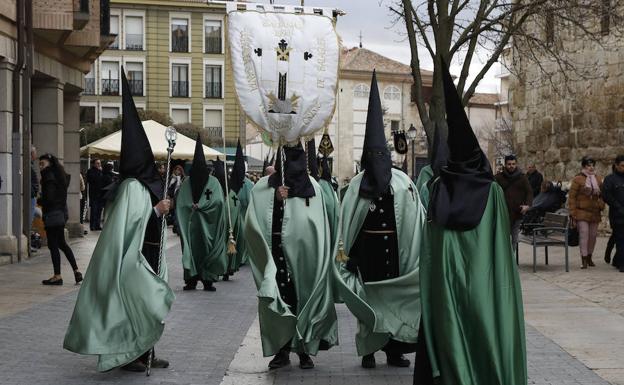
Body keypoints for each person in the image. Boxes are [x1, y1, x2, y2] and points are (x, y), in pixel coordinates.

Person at [414, 62, 526, 385]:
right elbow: (500, 251)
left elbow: (430, 245)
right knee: (483, 338)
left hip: (443, 288)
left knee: (448, 339)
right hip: (481, 288)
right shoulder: (490, 192)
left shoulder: (437, 189)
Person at [64, 68, 174, 373]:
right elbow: (131, 227)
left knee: (146, 303)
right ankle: (130, 355)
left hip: (148, 253)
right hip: (131, 259)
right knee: (130, 303)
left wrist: (161, 211)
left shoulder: (144, 185)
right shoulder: (131, 189)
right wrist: (158, 210)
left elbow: (150, 222)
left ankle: (148, 351)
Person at [333, 72, 424, 369]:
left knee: (395, 302)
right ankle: (369, 349)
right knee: (370, 303)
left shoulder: (402, 183)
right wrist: (351, 257)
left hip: (396, 254)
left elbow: (414, 219)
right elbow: (349, 224)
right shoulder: (357, 186)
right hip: (368, 257)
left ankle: (394, 350)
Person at [244, 142, 338, 370]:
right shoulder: (264, 188)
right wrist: (275, 200)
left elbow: (321, 225)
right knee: (280, 301)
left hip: (306, 259)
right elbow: (253, 221)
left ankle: (305, 350)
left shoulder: (313, 187)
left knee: (303, 300)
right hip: (275, 255)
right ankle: (282, 350)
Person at [176, 135, 227, 291]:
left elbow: (218, 201)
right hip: (191, 226)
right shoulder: (186, 183)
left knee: (206, 250)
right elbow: (181, 202)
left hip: (208, 226)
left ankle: (208, 279)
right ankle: (191, 279)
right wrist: (191, 206)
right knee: (190, 250)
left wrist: (202, 205)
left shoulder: (213, 182)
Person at [38, 153, 82, 286]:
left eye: (42, 164)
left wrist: (41, 200)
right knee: (62, 243)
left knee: (53, 245)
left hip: (52, 214)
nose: (40, 167)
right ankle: (76, 271)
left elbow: (50, 198)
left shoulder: (49, 176)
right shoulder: (59, 175)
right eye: (39, 164)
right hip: (61, 214)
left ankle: (57, 276)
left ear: (49, 164)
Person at [568, 156, 605, 269]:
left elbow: (603, 195)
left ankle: (589, 256)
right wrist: (573, 212)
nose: (591, 167)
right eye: (588, 165)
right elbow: (572, 197)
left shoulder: (598, 179)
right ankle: (583, 259)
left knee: (593, 236)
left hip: (594, 211)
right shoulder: (578, 179)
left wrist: (601, 204)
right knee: (584, 234)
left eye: (593, 165)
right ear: (584, 166)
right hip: (581, 211)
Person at [494, 154, 533, 251]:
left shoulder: (522, 178)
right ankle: (504, 261)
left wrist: (527, 205)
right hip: (502, 213)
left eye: (513, 164)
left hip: (517, 213)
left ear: (516, 164)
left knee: (514, 239)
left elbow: (529, 192)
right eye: (509, 164)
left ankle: (512, 261)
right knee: (502, 239)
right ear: (505, 165)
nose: (511, 166)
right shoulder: (498, 178)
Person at [212, 157, 241, 281]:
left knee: (223, 244)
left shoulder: (221, 194)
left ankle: (222, 268)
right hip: (231, 226)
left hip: (222, 228)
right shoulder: (233, 194)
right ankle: (227, 268)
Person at [603, 155, 624, 272]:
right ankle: (622, 264)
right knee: (621, 238)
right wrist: (618, 207)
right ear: (616, 166)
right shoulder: (610, 179)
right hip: (617, 215)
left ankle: (617, 259)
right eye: (622, 166)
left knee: (619, 238)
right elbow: (607, 196)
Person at [86, 159, 104, 231]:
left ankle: (97, 225)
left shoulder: (101, 171)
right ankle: (92, 225)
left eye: (99, 163)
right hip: (94, 194)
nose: (99, 165)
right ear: (93, 164)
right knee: (94, 210)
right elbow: (92, 180)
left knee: (99, 210)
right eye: (97, 163)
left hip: (100, 194)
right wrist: (99, 172)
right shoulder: (90, 171)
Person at [31, 146, 39, 228]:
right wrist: (34, 190)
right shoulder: (29, 166)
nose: (36, 156)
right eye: (35, 153)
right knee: (31, 215)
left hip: (33, 194)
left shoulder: (31, 165)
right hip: (31, 195)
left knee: (34, 213)